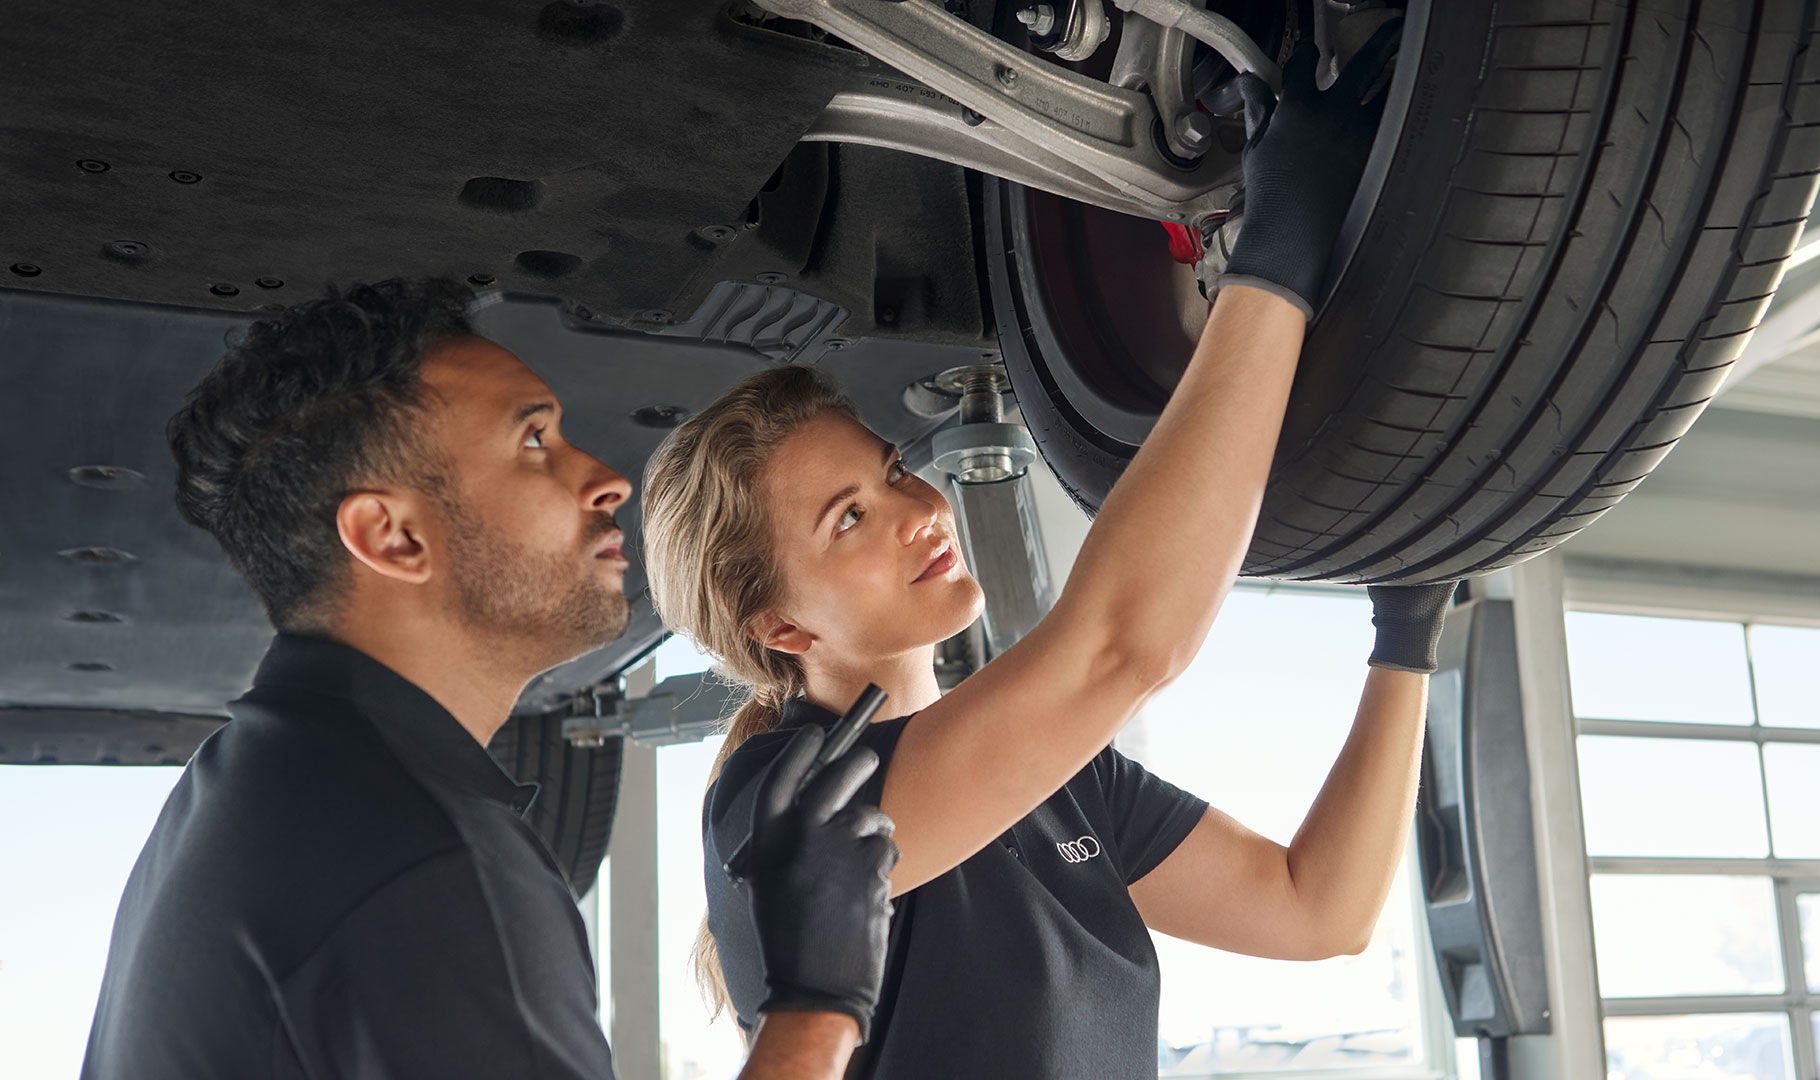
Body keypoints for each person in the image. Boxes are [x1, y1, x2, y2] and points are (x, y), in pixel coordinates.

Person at [640, 29, 1453, 1080]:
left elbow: (1316, 908)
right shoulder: (780, 806)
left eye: (890, 471)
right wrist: (1275, 260)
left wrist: (1406, 638)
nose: (915, 511)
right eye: (847, 519)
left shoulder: (1063, 784)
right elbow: (1122, 646)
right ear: (783, 629)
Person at [80, 278, 898, 1080]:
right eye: (534, 443)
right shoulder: (426, 863)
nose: (607, 478)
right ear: (394, 536)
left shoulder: (261, 789)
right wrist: (818, 999)